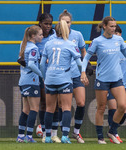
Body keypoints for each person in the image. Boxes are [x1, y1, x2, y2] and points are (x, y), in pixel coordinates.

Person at [80, 16, 126, 144]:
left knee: (122, 106)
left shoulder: (119, 39)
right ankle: (100, 137)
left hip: (117, 79)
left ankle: (112, 131)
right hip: (102, 79)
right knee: (101, 108)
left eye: (115, 26)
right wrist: (83, 72)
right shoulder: (97, 41)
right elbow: (86, 57)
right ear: (104, 26)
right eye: (111, 26)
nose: (113, 28)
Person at [40, 20, 82, 144]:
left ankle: (47, 136)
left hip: (50, 78)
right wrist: (82, 74)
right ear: (66, 31)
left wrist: (44, 76)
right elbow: (79, 63)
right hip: (64, 79)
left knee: (49, 108)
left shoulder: (48, 44)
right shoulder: (70, 44)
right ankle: (64, 136)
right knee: (66, 108)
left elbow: (42, 64)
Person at [57, 9, 92, 143]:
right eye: (64, 22)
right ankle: (62, 132)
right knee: (61, 105)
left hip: (77, 74)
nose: (67, 24)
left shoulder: (77, 35)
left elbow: (84, 51)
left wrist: (86, 66)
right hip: (62, 75)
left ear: (71, 23)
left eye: (68, 22)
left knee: (81, 103)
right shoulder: (56, 36)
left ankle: (76, 132)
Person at [107, 25, 126, 143]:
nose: (117, 37)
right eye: (115, 35)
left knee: (124, 112)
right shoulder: (109, 48)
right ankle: (114, 134)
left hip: (125, 83)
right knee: (113, 108)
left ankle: (112, 130)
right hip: (111, 82)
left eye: (119, 35)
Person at [36, 13, 61, 143]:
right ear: (40, 23)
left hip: (53, 74)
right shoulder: (35, 36)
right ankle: (45, 132)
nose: (48, 26)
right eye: (45, 23)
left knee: (55, 104)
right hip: (39, 75)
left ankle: (54, 134)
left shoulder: (54, 37)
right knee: (44, 104)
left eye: (50, 24)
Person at [16, 25, 43, 143]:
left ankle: (20, 136)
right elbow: (32, 65)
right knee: (34, 108)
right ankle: (29, 136)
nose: (42, 37)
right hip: (31, 81)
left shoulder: (23, 44)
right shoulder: (34, 48)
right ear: (33, 36)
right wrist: (43, 75)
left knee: (25, 109)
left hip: (23, 80)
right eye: (40, 34)